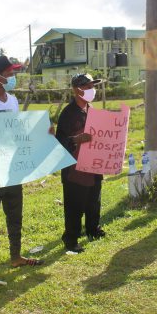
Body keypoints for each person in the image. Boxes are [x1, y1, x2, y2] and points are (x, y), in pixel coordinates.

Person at [0, 55, 43, 279]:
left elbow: (18, 133)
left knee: (15, 215)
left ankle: (16, 256)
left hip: (12, 168)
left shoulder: (12, 101)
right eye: (10, 74)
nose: (13, 77)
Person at [55, 73, 105, 253]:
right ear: (77, 90)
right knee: (74, 206)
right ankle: (71, 239)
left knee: (93, 200)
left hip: (93, 165)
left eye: (93, 86)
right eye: (89, 87)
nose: (93, 90)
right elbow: (59, 142)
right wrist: (76, 139)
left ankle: (93, 229)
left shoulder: (92, 110)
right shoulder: (68, 114)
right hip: (74, 169)